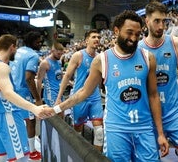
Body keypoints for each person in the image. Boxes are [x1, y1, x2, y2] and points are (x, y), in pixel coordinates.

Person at [49, 10, 169, 161]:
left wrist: (160, 133)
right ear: (117, 31)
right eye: (129, 32)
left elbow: (153, 95)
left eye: (137, 34)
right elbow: (83, 92)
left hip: (144, 128)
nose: (133, 38)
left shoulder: (148, 58)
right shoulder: (102, 60)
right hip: (116, 130)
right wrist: (57, 108)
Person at [138, 0, 178, 162]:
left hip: (174, 112)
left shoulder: (176, 43)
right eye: (156, 21)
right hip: (149, 115)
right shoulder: (138, 49)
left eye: (164, 21)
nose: (161, 26)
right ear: (147, 21)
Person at [0, 34, 50, 162]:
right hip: (8, 115)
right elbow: (8, 93)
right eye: (16, 47)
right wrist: (34, 108)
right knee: (21, 157)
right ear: (12, 47)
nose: (16, 51)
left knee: (2, 156)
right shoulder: (1, 67)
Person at [55, 29, 104, 151]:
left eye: (98, 37)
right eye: (93, 37)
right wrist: (58, 98)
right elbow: (66, 76)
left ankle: (95, 159)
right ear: (87, 40)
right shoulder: (78, 55)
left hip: (95, 97)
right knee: (78, 132)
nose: (97, 39)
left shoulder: (101, 57)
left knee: (99, 132)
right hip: (79, 98)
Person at [10, 31, 43, 160]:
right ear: (33, 42)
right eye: (38, 41)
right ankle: (32, 151)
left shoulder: (18, 51)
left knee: (9, 120)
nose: (40, 44)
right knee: (31, 121)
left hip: (11, 91)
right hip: (23, 92)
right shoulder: (33, 55)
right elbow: (29, 78)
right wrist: (38, 98)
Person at [36, 42, 64, 107]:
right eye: (58, 54)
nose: (60, 56)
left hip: (59, 92)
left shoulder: (59, 61)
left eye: (61, 54)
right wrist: (38, 99)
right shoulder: (45, 63)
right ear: (52, 51)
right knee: (55, 114)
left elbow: (61, 76)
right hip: (51, 93)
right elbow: (39, 81)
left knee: (62, 114)